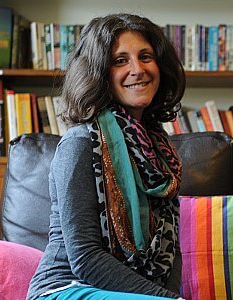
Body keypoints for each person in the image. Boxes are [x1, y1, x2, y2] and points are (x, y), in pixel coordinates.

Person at [27, 13, 186, 300]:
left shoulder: (162, 154)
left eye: (146, 56)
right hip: (67, 288)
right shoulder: (79, 144)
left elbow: (171, 251)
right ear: (99, 72)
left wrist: (168, 297)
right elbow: (85, 258)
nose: (137, 69)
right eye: (120, 60)